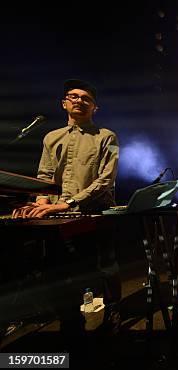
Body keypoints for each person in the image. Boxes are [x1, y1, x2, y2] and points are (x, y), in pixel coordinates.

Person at [11, 79, 122, 344]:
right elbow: (45, 176)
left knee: (102, 266)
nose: (79, 100)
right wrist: (41, 202)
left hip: (96, 211)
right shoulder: (51, 138)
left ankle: (112, 315)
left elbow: (106, 180)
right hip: (61, 213)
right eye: (73, 96)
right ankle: (70, 324)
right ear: (64, 104)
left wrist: (69, 203)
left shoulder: (108, 137)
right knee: (60, 268)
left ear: (95, 107)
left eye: (86, 98)